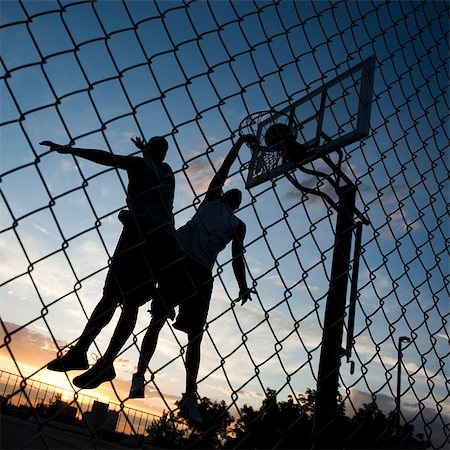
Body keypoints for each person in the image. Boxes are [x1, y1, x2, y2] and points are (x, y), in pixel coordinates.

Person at [128, 134, 257, 427]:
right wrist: (237, 145)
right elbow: (224, 169)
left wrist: (242, 285)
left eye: (237, 195)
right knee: (157, 320)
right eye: (231, 191)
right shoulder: (212, 198)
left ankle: (189, 395)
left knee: (195, 338)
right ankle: (139, 376)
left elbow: (238, 257)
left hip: (201, 275)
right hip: (179, 263)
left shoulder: (238, 224)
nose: (234, 193)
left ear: (236, 205)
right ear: (225, 195)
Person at [40, 136, 180, 389]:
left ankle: (81, 350)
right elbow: (153, 162)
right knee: (132, 302)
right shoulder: (168, 172)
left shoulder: (141, 165)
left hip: (139, 232)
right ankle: (106, 361)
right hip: (164, 241)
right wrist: (147, 150)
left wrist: (68, 149)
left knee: (113, 294)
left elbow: (107, 157)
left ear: (148, 150)